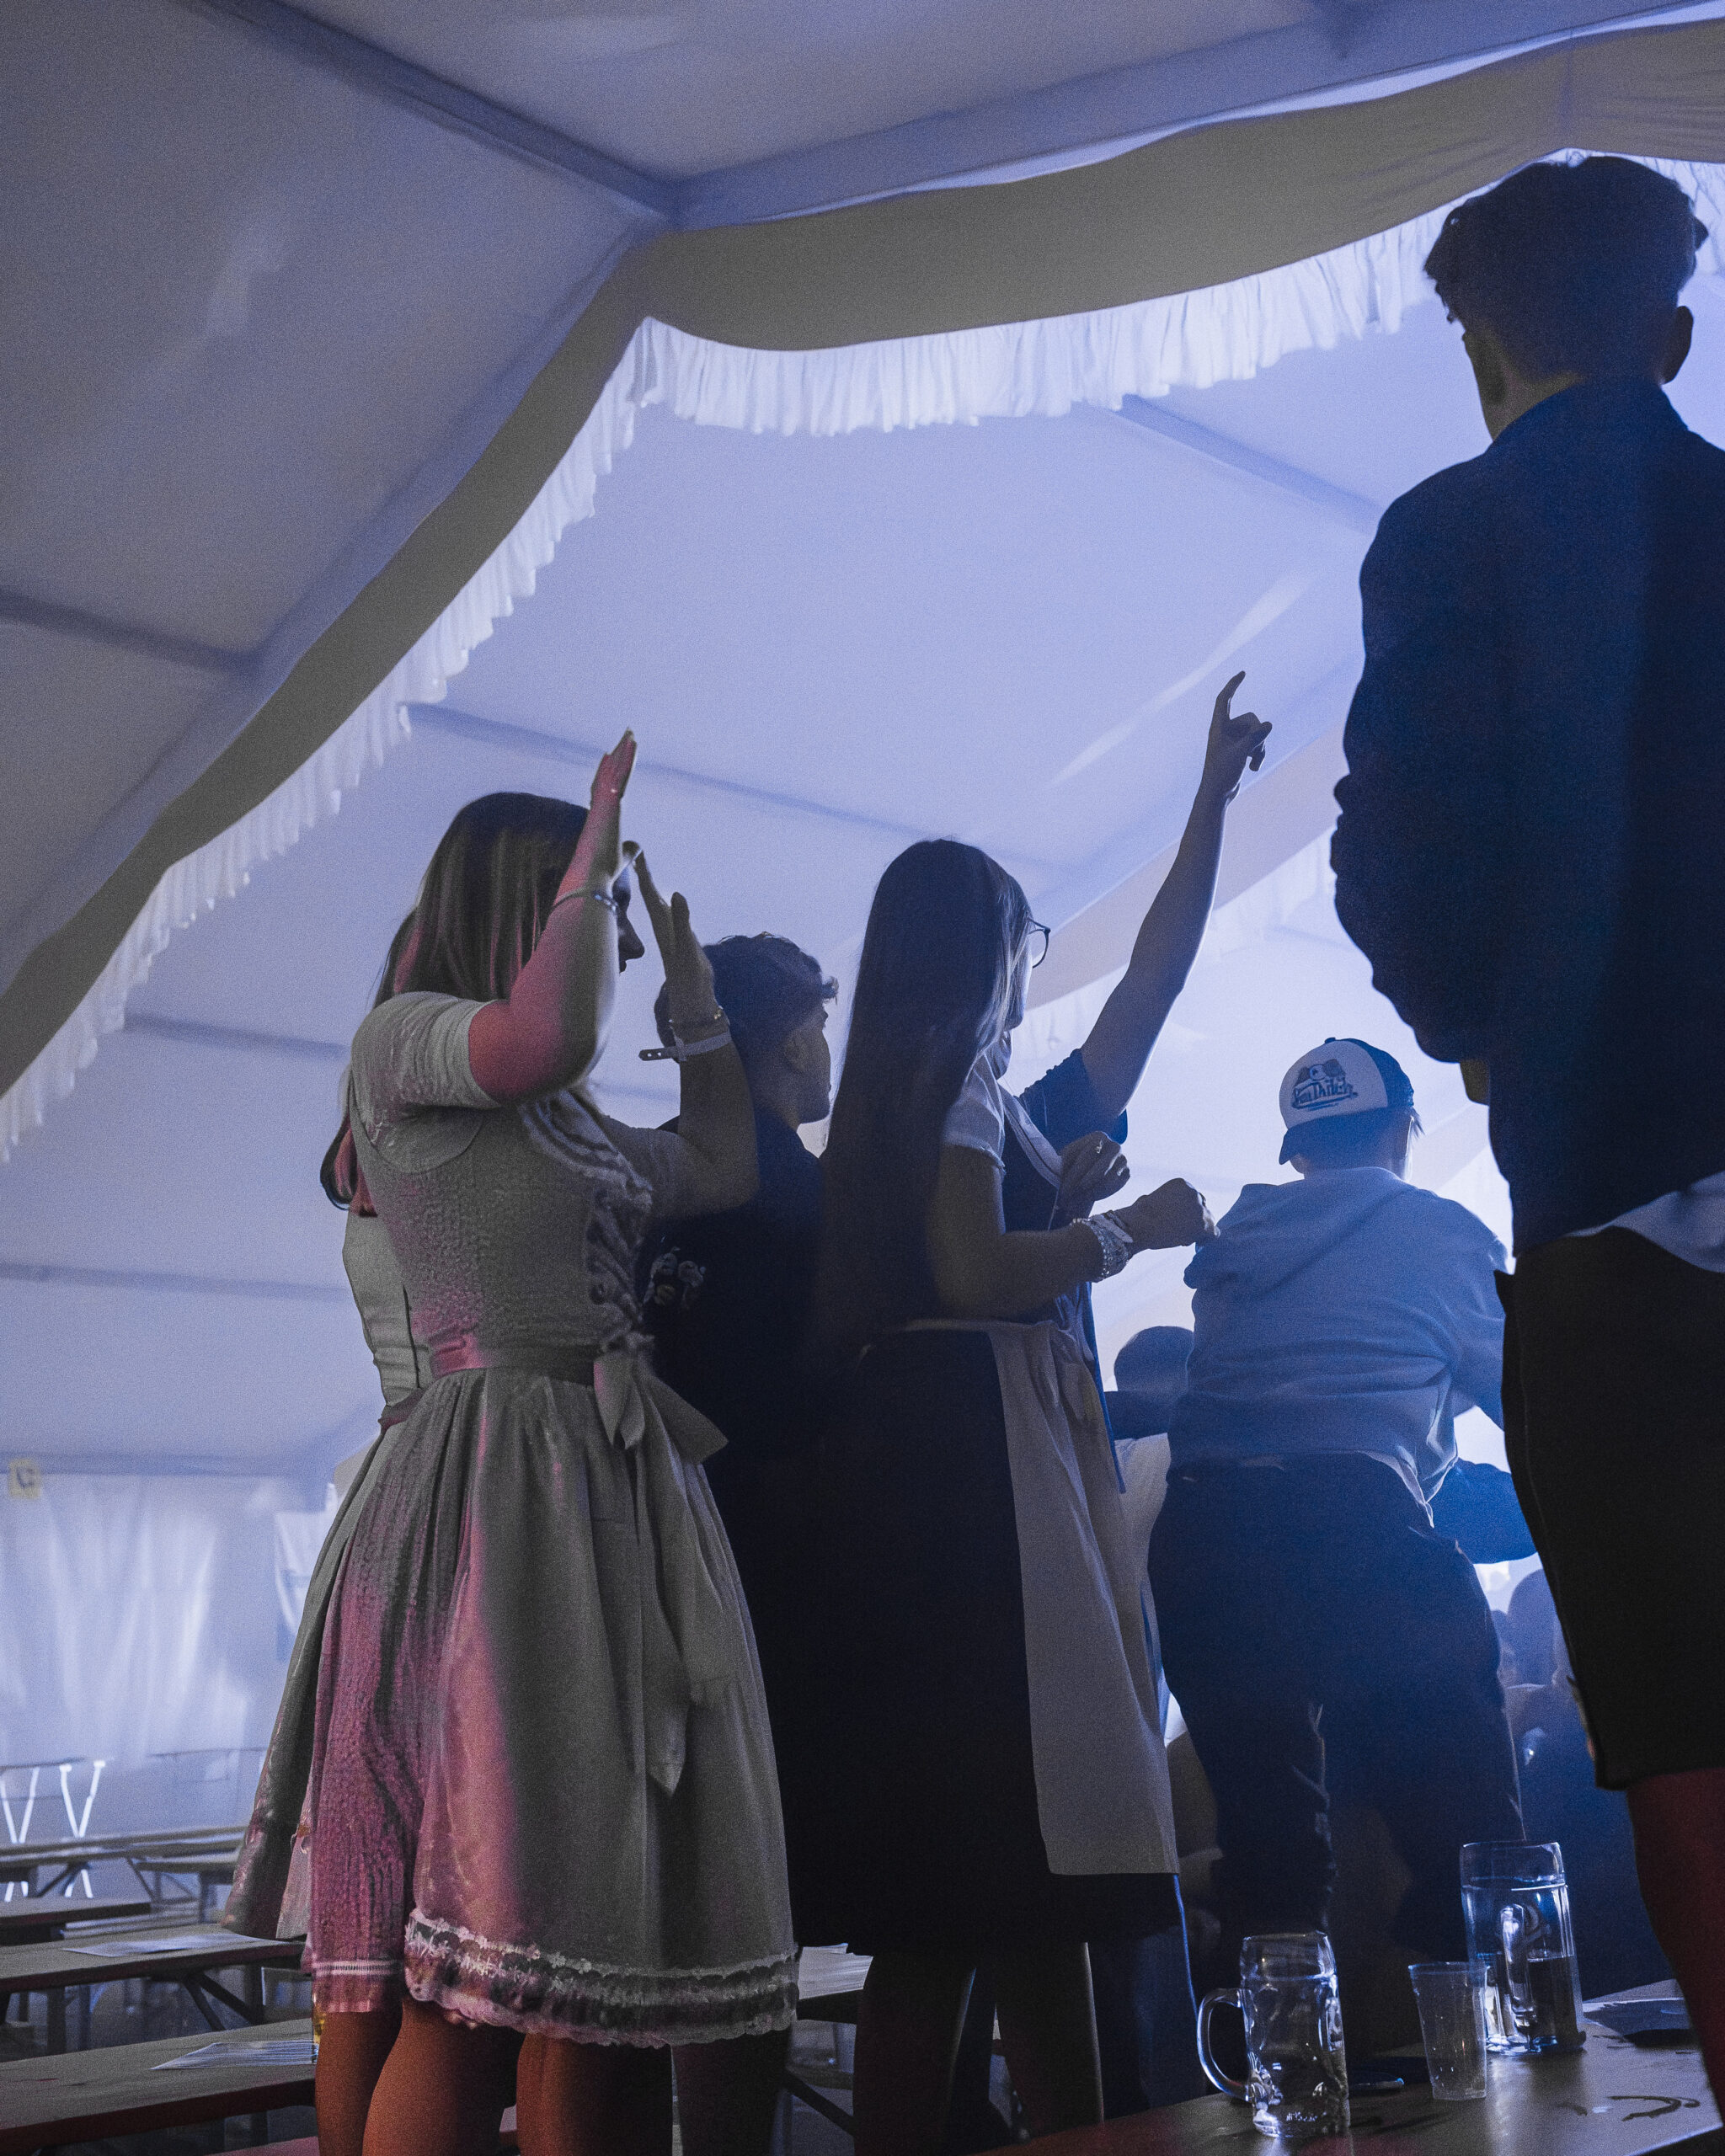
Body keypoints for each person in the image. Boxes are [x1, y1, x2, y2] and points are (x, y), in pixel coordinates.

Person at [1329, 154, 1725, 2089]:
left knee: (1683, 1732)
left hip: (1607, 1216)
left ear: (1478, 349)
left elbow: (1402, 860)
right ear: (1675, 334)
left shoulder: (1448, 536)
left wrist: (1478, 1026)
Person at [270, 753, 797, 2156]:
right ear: (529, 897)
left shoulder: (563, 1120)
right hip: (495, 1494)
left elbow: (722, 1166)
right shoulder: (404, 1047)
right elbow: (541, 1037)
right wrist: (594, 852)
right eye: (594, 910)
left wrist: (697, 1009)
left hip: (610, 1496)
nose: (612, 939)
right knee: (476, 1973)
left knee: (587, 1956)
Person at [810, 675, 1271, 2155]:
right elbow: (968, 1269)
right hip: (981, 1491)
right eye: (1023, 947)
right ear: (984, 957)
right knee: (1003, 1876)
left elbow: (1149, 988)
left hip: (933, 1480)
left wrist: (1206, 808)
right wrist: (1120, 1232)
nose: (1033, 973)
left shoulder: (914, 1094)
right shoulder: (964, 1082)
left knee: (987, 1903)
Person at [1148, 1038, 1523, 1986]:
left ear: (1296, 1151)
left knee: (1272, 1861)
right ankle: (1497, 2045)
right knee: (1472, 1845)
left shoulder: (1236, 1238)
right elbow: (1533, 1403)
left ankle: (1274, 2066)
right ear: (1403, 1127)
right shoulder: (1441, 1230)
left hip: (1203, 1536)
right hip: (1353, 1523)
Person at [639, 934, 837, 1931]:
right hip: (780, 1554)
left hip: (636, 1538)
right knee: (764, 1868)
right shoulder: (807, 1194)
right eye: (822, 1023)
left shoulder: (640, 1168)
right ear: (795, 1042)